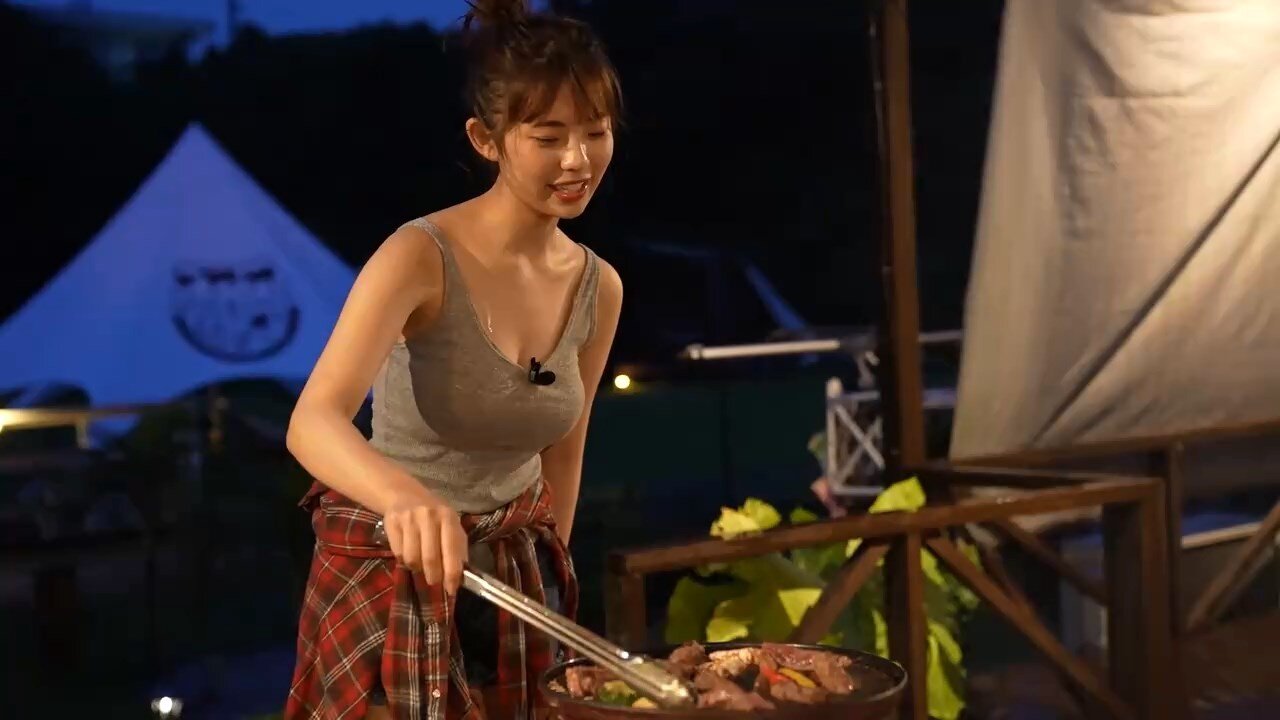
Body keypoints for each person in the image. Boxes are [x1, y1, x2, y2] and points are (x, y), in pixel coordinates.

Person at [282, 0, 624, 717]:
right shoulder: (419, 254)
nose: (578, 160)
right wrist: (404, 497)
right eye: (549, 137)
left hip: (512, 575)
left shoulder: (601, 287)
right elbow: (313, 421)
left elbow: (564, 454)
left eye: (596, 132)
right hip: (390, 566)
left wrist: (548, 585)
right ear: (487, 139)